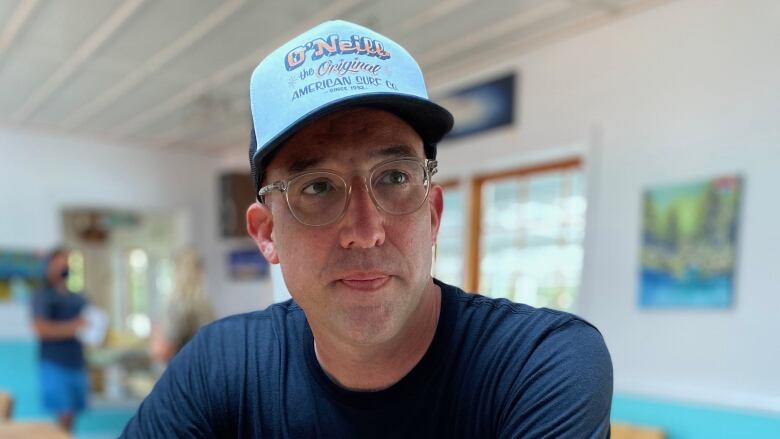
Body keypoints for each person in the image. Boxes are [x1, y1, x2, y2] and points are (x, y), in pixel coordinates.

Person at [122, 20, 612, 438]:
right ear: (266, 232)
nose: (365, 230)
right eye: (316, 187)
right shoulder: (221, 366)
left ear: (433, 214)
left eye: (395, 178)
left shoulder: (539, 365)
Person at [31, 247, 89, 432]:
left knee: (72, 416)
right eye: (59, 263)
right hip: (55, 363)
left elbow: (89, 322)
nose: (63, 267)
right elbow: (41, 329)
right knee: (63, 414)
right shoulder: (43, 296)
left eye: (66, 262)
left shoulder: (76, 297)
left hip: (77, 362)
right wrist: (73, 328)